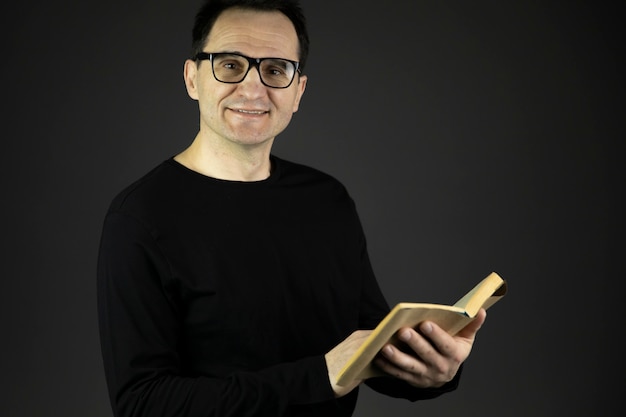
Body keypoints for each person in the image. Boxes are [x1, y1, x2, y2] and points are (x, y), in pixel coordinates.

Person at [96, 0, 487, 416]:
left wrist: (437, 370)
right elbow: (142, 405)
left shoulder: (327, 200)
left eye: (275, 69)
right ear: (193, 79)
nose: (252, 88)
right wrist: (320, 376)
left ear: (298, 90)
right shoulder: (139, 219)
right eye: (229, 65)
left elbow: (368, 353)